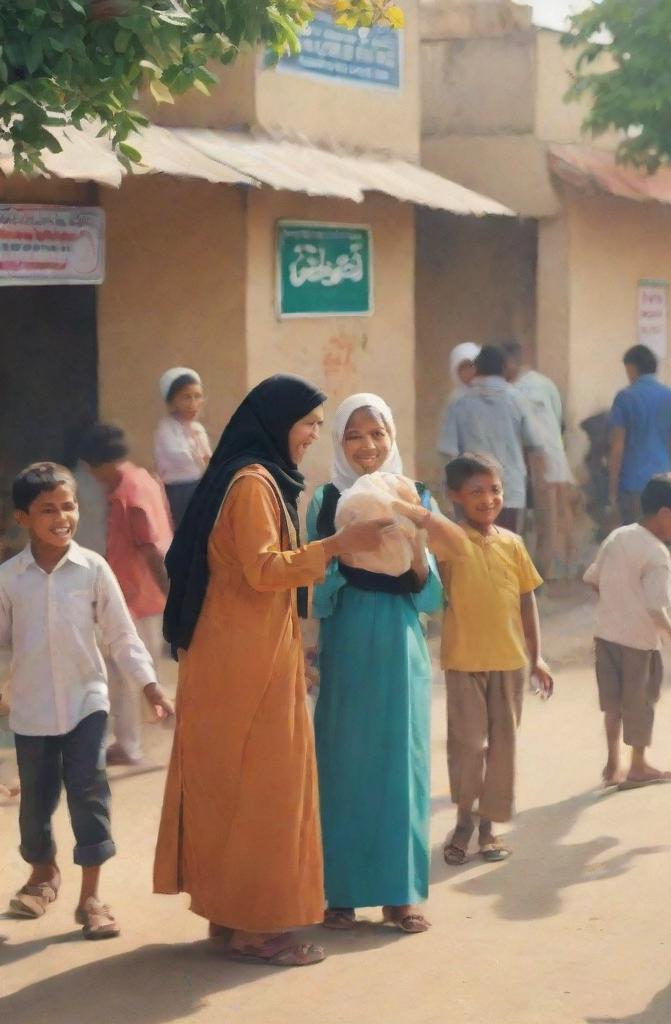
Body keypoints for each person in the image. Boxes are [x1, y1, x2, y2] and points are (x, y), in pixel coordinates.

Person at [154, 375, 391, 967]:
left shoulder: (248, 478)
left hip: (238, 652)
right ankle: (257, 930)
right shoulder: (253, 485)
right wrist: (339, 544)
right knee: (266, 790)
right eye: (309, 423)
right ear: (278, 422)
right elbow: (264, 570)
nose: (314, 434)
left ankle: (230, 916)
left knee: (234, 786)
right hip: (246, 663)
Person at [308, 393, 466, 935]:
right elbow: (316, 594)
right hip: (347, 642)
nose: (368, 446)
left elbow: (431, 598)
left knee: (402, 763)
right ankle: (340, 894)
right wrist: (342, 549)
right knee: (344, 764)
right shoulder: (325, 501)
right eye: (354, 436)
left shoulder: (414, 495)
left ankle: (401, 895)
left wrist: (412, 555)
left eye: (377, 433)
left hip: (401, 642)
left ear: (392, 436)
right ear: (339, 444)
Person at [1, 463, 174, 940]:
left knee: (89, 794)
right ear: (23, 518)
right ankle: (43, 874)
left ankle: (91, 897)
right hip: (32, 711)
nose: (62, 517)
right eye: (47, 510)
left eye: (69, 506)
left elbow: (121, 635)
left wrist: (150, 685)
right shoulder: (10, 579)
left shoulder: (94, 569)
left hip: (86, 704)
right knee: (35, 804)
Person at [439, 453, 553, 866]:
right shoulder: (448, 542)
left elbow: (527, 601)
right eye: (476, 492)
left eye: (495, 490)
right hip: (464, 661)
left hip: (510, 661)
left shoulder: (513, 543)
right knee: (469, 746)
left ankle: (488, 827)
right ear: (455, 496)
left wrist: (537, 657)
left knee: (502, 747)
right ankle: (464, 822)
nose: (488, 499)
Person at [584, 474, 671, 789]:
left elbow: (593, 579)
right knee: (640, 702)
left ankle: (611, 762)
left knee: (613, 703)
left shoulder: (618, 536)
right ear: (664, 514)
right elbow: (656, 608)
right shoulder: (658, 555)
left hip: (605, 635)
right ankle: (637, 765)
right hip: (639, 643)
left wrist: (616, 604)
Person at [80, 424, 173, 767]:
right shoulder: (143, 479)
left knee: (130, 673)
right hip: (137, 593)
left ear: (102, 463)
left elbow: (150, 548)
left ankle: (132, 744)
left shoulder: (128, 493)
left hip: (138, 595)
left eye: (92, 468)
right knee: (132, 671)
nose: (91, 475)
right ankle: (129, 741)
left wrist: (170, 594)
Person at [439, 345, 542, 534]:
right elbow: (535, 441)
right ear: (503, 369)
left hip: (469, 492)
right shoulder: (517, 399)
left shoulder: (458, 402)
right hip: (509, 491)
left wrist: (450, 493)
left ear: (477, 369)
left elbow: (448, 452)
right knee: (507, 550)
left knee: (472, 552)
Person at [503, 339, 577, 578]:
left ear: (510, 363)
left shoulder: (514, 391)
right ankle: (559, 569)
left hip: (536, 462)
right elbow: (559, 419)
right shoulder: (545, 384)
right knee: (555, 520)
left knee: (542, 521)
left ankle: (542, 574)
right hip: (554, 460)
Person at [608, 345, 671, 526]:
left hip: (632, 483)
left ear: (632, 367)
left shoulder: (624, 397)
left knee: (635, 542)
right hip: (664, 481)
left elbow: (617, 447)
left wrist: (612, 489)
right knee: (663, 542)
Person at [154, 367, 212, 528]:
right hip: (178, 492)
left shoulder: (198, 429)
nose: (193, 403)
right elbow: (182, 458)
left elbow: (208, 460)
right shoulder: (167, 428)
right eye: (186, 397)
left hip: (200, 488)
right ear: (173, 401)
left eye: (197, 396)